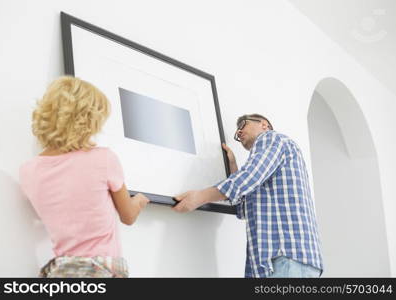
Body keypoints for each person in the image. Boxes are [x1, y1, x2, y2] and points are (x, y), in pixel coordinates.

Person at [19, 76, 149, 278]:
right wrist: (139, 201)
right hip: (102, 271)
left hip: (60, 272)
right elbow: (128, 216)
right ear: (89, 121)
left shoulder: (28, 170)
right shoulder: (104, 159)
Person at [173, 114, 323, 278]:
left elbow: (251, 176)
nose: (238, 132)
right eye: (237, 131)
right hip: (287, 261)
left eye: (242, 125)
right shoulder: (272, 167)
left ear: (264, 125)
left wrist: (200, 197)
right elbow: (244, 209)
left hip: (286, 258)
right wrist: (232, 165)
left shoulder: (272, 138)